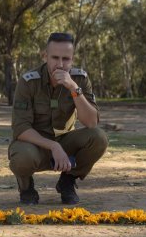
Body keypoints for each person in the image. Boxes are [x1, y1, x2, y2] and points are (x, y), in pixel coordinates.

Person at [8, 32, 109, 205]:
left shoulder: (79, 80)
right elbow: (20, 128)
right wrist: (53, 146)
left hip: (66, 143)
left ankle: (67, 182)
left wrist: (74, 88)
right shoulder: (28, 82)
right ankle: (26, 187)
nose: (60, 65)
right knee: (22, 156)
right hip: (35, 145)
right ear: (45, 56)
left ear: (72, 59)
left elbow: (91, 122)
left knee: (99, 138)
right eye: (55, 58)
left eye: (66, 59)